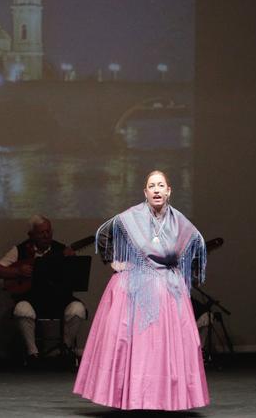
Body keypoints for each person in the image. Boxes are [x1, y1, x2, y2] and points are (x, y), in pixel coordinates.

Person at [73, 170, 209, 411]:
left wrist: (189, 277)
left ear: (169, 191)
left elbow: (197, 246)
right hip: (136, 288)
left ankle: (165, 397)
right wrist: (113, 261)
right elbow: (103, 234)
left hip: (168, 290)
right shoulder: (131, 217)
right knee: (135, 344)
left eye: (161, 186)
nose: (156, 190)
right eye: (151, 186)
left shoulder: (179, 221)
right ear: (145, 192)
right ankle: (134, 397)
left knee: (165, 348)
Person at [0, 214, 87, 364]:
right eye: (41, 232)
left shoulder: (61, 249)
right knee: (21, 309)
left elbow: (73, 279)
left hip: (59, 300)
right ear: (31, 235)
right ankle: (32, 354)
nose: (46, 235)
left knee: (78, 309)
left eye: (48, 231)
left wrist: (70, 262)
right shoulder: (19, 250)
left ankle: (65, 350)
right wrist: (18, 272)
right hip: (31, 299)